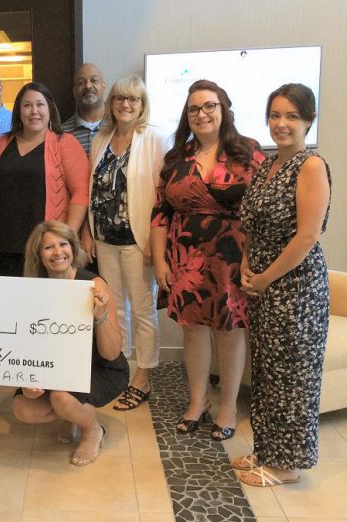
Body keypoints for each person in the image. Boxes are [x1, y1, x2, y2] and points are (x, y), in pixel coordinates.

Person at [150, 79, 264, 440]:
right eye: (194, 108)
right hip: (185, 256)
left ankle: (228, 405)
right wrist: (160, 262)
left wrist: (255, 259)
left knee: (229, 331)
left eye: (209, 106)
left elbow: (262, 211)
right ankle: (198, 401)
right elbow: (159, 212)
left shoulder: (249, 151)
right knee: (193, 331)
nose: (202, 114)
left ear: (223, 108)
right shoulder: (176, 158)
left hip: (233, 257)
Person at [235, 84, 331, 487]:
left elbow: (307, 237)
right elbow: (252, 227)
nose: (281, 123)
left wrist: (264, 277)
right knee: (268, 372)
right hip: (262, 284)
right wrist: (245, 266)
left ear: (308, 120)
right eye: (275, 115)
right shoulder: (267, 164)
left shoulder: (311, 166)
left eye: (291, 116)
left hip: (296, 290)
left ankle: (285, 466)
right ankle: (267, 450)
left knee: (292, 376)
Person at [81, 76, 167, 410]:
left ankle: (143, 379)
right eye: (119, 99)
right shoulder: (101, 139)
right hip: (104, 238)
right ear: (111, 104)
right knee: (114, 309)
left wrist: (154, 242)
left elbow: (162, 197)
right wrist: (88, 232)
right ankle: (120, 370)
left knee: (143, 309)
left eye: (133, 100)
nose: (125, 105)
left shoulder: (155, 139)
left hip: (138, 241)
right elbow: (93, 192)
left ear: (143, 105)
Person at [13, 221, 128, 466]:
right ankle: (72, 414)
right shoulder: (32, 290)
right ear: (38, 255)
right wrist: (27, 378)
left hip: (98, 366)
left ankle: (92, 430)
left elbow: (111, 353)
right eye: (48, 248)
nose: (57, 253)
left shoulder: (94, 285)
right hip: (56, 366)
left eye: (63, 244)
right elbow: (24, 344)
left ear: (73, 248)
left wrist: (101, 316)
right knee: (24, 408)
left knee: (62, 399)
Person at [0, 82, 89, 277]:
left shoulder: (65, 143)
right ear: (19, 111)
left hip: (48, 249)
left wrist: (67, 238)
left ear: (49, 108)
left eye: (40, 105)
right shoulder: (2, 144)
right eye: (27, 105)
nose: (34, 111)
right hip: (7, 245)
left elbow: (80, 194)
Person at [62, 63, 107, 155]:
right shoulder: (62, 133)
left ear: (103, 87)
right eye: (81, 82)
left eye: (94, 80)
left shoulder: (119, 125)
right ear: (74, 91)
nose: (88, 86)